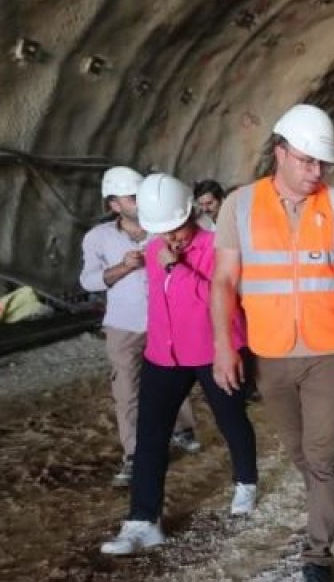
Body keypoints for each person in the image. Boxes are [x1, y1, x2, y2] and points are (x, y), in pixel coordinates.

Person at [210, 104, 334, 582]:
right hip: (269, 353)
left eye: (323, 165)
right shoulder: (239, 207)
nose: (316, 173)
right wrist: (224, 347)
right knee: (299, 453)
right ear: (280, 152)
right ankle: (320, 512)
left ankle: (316, 556)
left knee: (324, 456)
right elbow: (223, 280)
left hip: (327, 349)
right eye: (307, 161)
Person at [101, 174, 259, 555]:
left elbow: (223, 299)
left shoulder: (220, 247)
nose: (170, 238)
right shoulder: (157, 248)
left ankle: (246, 481)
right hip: (165, 354)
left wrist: (180, 269)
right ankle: (143, 520)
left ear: (190, 214)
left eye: (176, 228)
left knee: (231, 418)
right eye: (163, 231)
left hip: (214, 350)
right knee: (151, 434)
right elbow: (160, 300)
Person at [80, 166, 200, 487]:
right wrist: (123, 267)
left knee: (175, 376)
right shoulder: (98, 238)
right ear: (113, 205)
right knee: (127, 388)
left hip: (167, 320)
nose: (139, 202)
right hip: (124, 325)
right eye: (132, 198)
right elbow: (89, 280)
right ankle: (135, 453)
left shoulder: (164, 228)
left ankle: (182, 428)